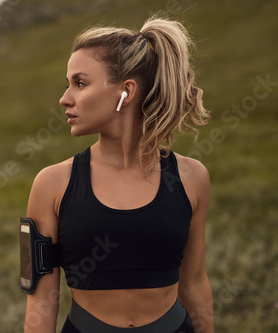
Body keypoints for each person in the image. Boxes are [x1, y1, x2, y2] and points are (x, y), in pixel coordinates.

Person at [23, 17, 214, 333]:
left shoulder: (192, 177)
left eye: (80, 83)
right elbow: (41, 301)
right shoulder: (52, 184)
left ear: (126, 91)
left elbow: (194, 283)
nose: (65, 98)